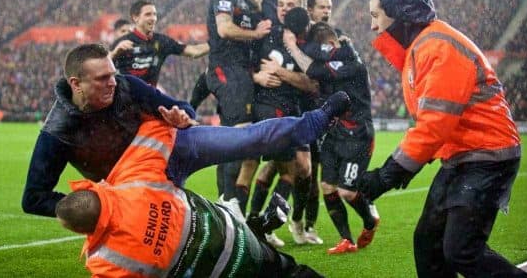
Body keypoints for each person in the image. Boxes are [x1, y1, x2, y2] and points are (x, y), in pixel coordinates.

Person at [21, 43, 350, 218]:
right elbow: (33, 199)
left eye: (111, 74)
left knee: (249, 137)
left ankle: (311, 123)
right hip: (139, 191)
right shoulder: (57, 132)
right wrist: (95, 206)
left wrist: (182, 114)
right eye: (102, 79)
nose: (112, 82)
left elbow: (181, 107)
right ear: (75, 84)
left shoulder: (126, 85)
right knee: (193, 235)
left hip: (176, 145)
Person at [359, 0, 527, 277]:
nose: (372, 25)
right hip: (464, 156)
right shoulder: (422, 47)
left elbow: (434, 125)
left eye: (376, 15)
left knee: (462, 253)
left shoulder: (437, 46)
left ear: (396, 12)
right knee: (429, 244)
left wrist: (386, 175)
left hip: (486, 156)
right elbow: (434, 126)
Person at [56, 118, 325, 278]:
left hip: (220, 273)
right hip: (240, 240)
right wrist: (172, 113)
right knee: (286, 271)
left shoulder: (106, 260)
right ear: (94, 191)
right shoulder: (134, 182)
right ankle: (262, 226)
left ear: (85, 232)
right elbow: (156, 131)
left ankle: (261, 224)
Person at [284, 22, 378, 255]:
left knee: (347, 191)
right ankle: (346, 239)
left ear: (333, 45)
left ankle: (369, 221)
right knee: (327, 186)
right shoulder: (330, 63)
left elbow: (314, 70)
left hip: (358, 134)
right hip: (334, 134)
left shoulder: (353, 64)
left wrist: (293, 48)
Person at [243, 0, 318, 247]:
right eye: (281, 4)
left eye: (291, 4)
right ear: (276, 9)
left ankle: (263, 220)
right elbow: (244, 66)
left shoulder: (307, 40)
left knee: (303, 169)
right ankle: (262, 222)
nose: (285, 8)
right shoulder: (265, 33)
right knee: (288, 168)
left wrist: (280, 72)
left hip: (296, 109)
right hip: (270, 107)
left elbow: (311, 84)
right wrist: (258, 76)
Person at [205, 0, 271, 218]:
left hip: (241, 72)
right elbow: (224, 29)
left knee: (233, 136)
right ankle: (229, 203)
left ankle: (225, 200)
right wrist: (255, 34)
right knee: (239, 135)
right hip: (228, 71)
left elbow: (267, 12)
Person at [109, 0, 209, 86]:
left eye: (154, 14)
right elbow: (100, 66)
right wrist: (115, 53)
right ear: (136, 17)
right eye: (148, 14)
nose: (153, 18)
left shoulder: (162, 41)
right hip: (125, 101)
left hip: (149, 101)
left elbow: (195, 51)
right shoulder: (121, 42)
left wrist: (218, 43)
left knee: (184, 107)